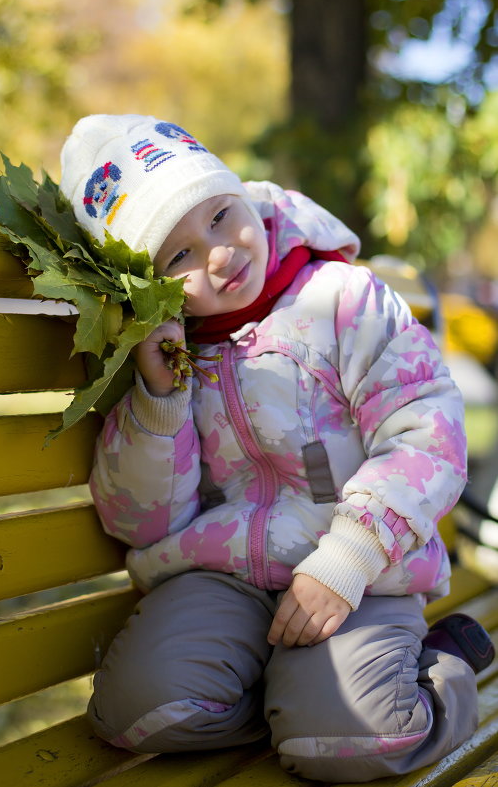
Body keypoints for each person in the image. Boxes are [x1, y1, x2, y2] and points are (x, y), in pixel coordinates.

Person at [59, 113, 495, 782]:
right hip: (224, 574)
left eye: (218, 215)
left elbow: (425, 432)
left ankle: (447, 664)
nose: (217, 254)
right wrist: (159, 397)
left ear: (244, 194)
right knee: (137, 711)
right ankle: (294, 704)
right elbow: (139, 522)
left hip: (359, 571)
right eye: (176, 257)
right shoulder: (166, 353)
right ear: (145, 285)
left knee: (353, 738)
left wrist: (347, 556)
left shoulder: (341, 300)